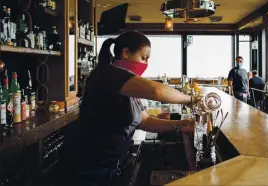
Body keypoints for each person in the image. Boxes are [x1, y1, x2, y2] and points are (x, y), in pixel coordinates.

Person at [60, 31, 206, 186]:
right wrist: (192, 100)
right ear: (126, 53)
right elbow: (156, 91)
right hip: (91, 163)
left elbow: (145, 120)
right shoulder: (109, 75)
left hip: (110, 160)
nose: (146, 63)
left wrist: (180, 125)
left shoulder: (125, 82)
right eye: (144, 57)